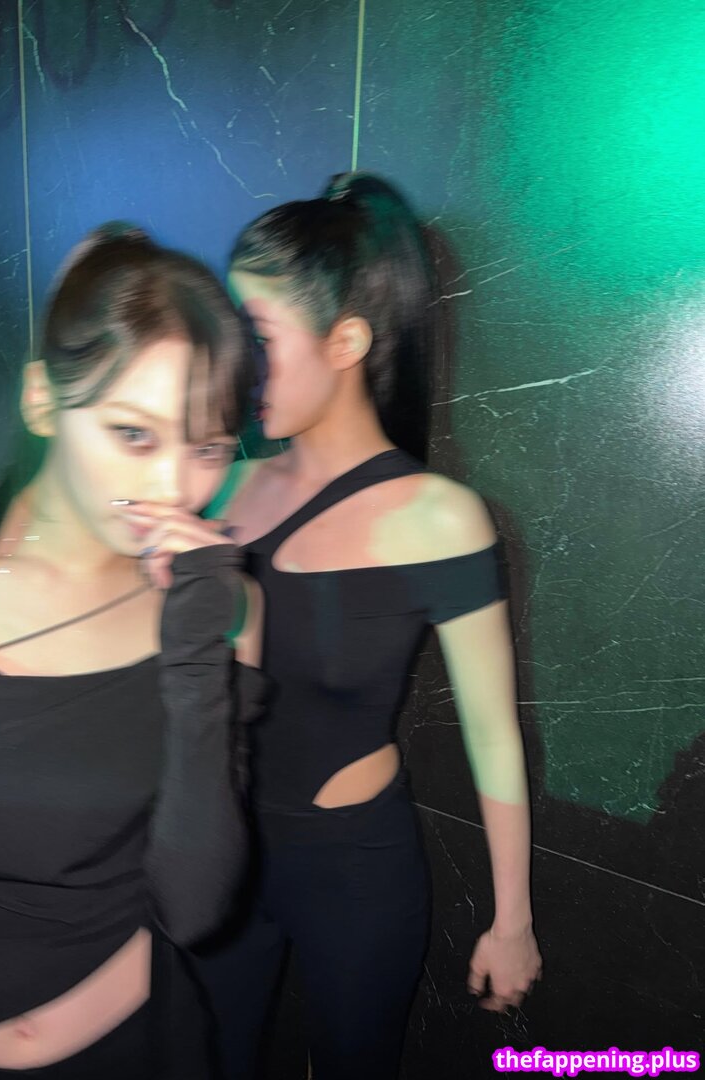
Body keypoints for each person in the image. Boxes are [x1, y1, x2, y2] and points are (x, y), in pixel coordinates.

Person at [124, 173, 543, 1079]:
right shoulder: (224, 485)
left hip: (352, 869)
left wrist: (512, 921)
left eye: (259, 336)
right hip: (222, 852)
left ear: (346, 340)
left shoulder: (438, 517)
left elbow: (493, 735)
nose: (238, 364)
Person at [0, 225, 264, 1079]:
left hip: (142, 1049)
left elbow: (196, 907)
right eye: (134, 434)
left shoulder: (225, 608)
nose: (172, 488)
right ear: (41, 401)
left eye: (208, 448)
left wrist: (195, 655)